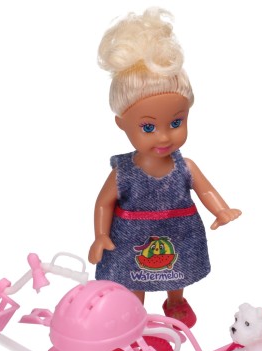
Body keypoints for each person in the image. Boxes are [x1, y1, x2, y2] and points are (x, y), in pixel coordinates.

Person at [88, 8, 241, 327]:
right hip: (133, 238)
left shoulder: (185, 166)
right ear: (122, 123)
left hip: (178, 231)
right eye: (148, 127)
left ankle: (176, 300)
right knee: (133, 276)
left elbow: (205, 189)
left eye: (175, 122)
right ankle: (135, 309)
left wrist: (221, 209)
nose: (164, 136)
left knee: (178, 270)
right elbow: (104, 202)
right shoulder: (123, 172)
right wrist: (101, 235)